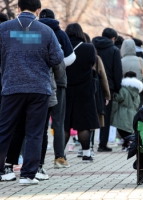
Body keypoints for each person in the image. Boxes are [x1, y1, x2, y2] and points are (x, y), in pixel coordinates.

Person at [0, 0, 64, 186]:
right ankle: (28, 175)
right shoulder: (46, 31)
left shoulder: (5, 28)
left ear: (18, 8)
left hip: (12, 87)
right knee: (34, 132)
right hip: (39, 89)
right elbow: (57, 58)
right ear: (38, 10)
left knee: (4, 130)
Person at [39, 8, 76, 169]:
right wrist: (57, 66)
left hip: (39, 81)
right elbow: (71, 57)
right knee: (58, 121)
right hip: (59, 81)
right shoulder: (60, 34)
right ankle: (59, 157)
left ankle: (37, 161)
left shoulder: (34, 32)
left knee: (39, 122)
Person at [64, 23, 100, 162]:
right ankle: (86, 154)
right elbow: (92, 63)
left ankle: (60, 155)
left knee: (65, 123)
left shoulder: (62, 46)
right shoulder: (89, 48)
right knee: (83, 123)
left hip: (66, 88)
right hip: (84, 90)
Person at [92, 28, 123, 152]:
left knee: (91, 114)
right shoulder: (114, 50)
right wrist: (117, 87)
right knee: (105, 115)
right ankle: (102, 144)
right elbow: (117, 71)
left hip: (91, 84)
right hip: (107, 87)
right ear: (113, 38)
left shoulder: (92, 46)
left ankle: (88, 146)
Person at [111, 71, 143, 151]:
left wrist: (114, 96)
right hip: (133, 112)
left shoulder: (123, 89)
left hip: (122, 112)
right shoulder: (137, 91)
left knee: (122, 129)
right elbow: (137, 104)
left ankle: (131, 143)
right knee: (128, 129)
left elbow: (119, 98)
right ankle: (126, 145)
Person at [120, 39, 143, 107]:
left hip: (124, 90)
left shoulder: (120, 61)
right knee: (139, 108)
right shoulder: (140, 60)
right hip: (139, 89)